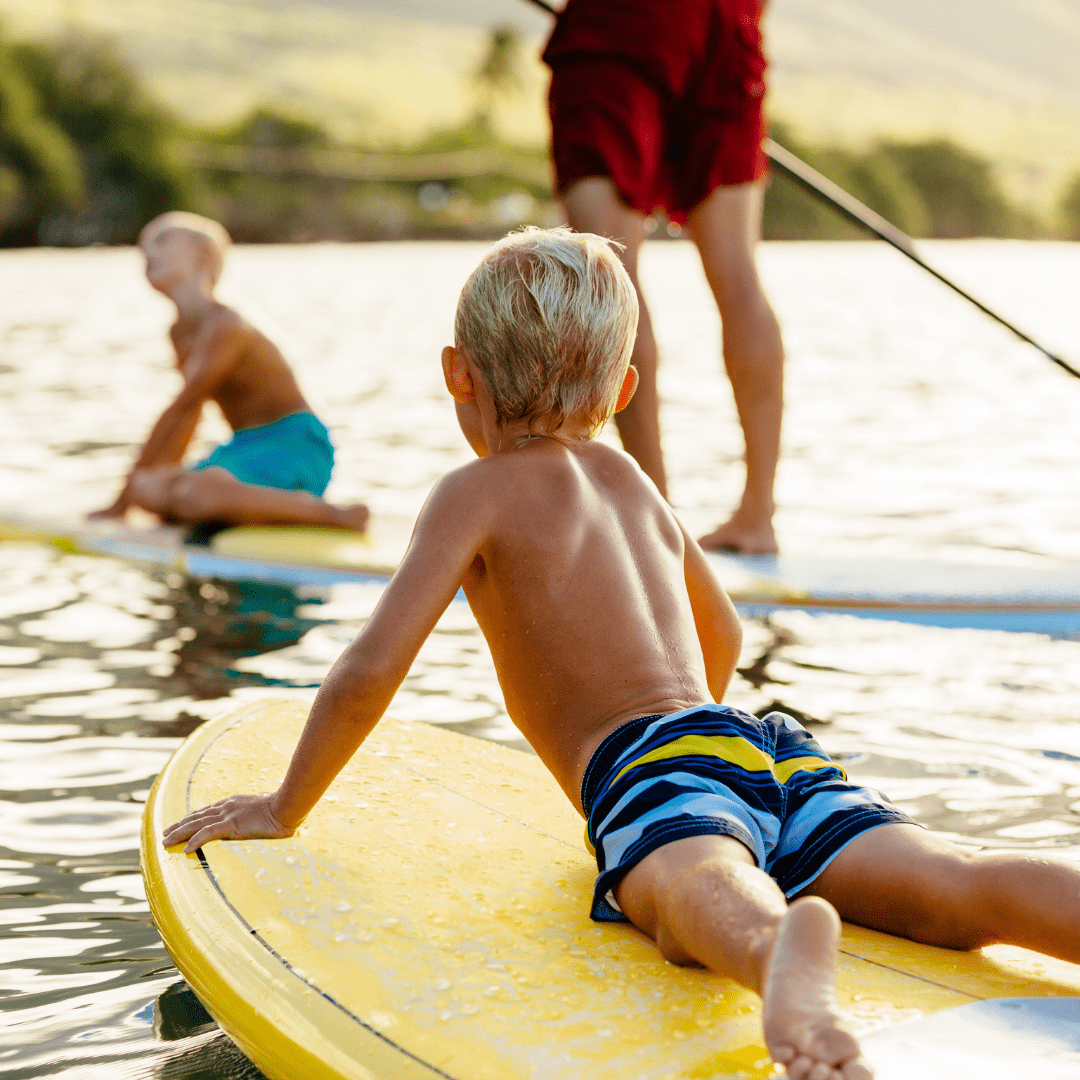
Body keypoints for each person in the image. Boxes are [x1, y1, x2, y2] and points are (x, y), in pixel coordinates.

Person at [164, 230, 1080, 1080]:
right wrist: (709, 759)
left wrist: (286, 806)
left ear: (458, 376)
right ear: (624, 392)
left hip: (652, 766)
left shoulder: (472, 494)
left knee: (696, 890)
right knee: (952, 887)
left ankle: (775, 955)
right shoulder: (631, 479)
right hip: (758, 742)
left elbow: (370, 671)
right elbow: (719, 629)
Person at [543, 0, 784, 553]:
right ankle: (757, 516)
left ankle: (654, 520)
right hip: (728, 19)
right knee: (739, 273)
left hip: (622, 26)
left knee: (611, 275)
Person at [90, 212, 369, 533]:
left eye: (161, 240)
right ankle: (226, 501)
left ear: (204, 253)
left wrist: (120, 505)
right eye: (141, 247)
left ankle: (337, 516)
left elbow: (181, 405)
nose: (146, 253)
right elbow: (189, 415)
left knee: (190, 495)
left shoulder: (227, 325)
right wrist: (155, 481)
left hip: (295, 443)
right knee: (148, 489)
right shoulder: (179, 333)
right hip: (244, 447)